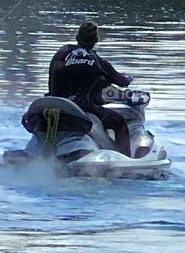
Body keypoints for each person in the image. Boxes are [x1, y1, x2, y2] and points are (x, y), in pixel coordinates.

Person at [46, 20, 133, 156]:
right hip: (82, 109)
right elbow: (121, 81)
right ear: (96, 40)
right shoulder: (97, 61)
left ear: (77, 38)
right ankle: (127, 160)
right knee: (120, 122)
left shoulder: (61, 53)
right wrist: (127, 77)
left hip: (54, 106)